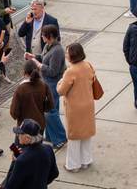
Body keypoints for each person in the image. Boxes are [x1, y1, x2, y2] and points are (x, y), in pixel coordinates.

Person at [56, 42, 100, 172]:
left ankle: (73, 165)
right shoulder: (88, 65)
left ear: (72, 55)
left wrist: (59, 82)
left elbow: (61, 91)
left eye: (67, 52)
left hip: (75, 108)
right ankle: (86, 160)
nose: (65, 54)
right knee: (86, 134)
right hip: (88, 105)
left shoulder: (70, 71)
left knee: (74, 137)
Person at [29, 23, 67, 149]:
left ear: (49, 36)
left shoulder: (57, 51)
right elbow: (44, 58)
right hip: (46, 83)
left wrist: (38, 65)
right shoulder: (49, 46)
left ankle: (60, 138)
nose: (42, 37)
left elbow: (53, 71)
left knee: (51, 111)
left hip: (53, 83)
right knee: (49, 110)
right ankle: (51, 136)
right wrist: (34, 57)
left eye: (43, 35)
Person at [3, 118, 61, 189]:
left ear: (27, 138)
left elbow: (9, 186)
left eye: (20, 133)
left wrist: (14, 162)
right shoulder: (48, 149)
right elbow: (55, 173)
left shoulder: (21, 160)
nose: (17, 135)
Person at [10, 60, 54, 131]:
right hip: (39, 125)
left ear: (24, 73)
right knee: (38, 142)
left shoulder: (20, 89)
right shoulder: (44, 85)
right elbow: (51, 104)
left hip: (24, 127)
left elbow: (14, 113)